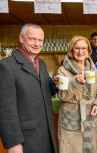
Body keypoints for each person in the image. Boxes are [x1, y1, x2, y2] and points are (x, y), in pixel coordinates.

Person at [0, 23, 58, 153]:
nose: (37, 43)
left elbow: (42, 88)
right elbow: (5, 109)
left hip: (46, 133)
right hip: (26, 138)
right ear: (21, 38)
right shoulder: (6, 66)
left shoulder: (41, 63)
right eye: (32, 39)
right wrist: (13, 143)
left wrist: (54, 84)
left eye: (40, 40)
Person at [56, 36, 97, 153]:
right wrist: (75, 83)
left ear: (88, 51)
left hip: (90, 117)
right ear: (71, 50)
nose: (80, 51)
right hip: (71, 118)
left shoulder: (94, 71)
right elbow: (61, 95)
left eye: (83, 48)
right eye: (76, 48)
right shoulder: (62, 70)